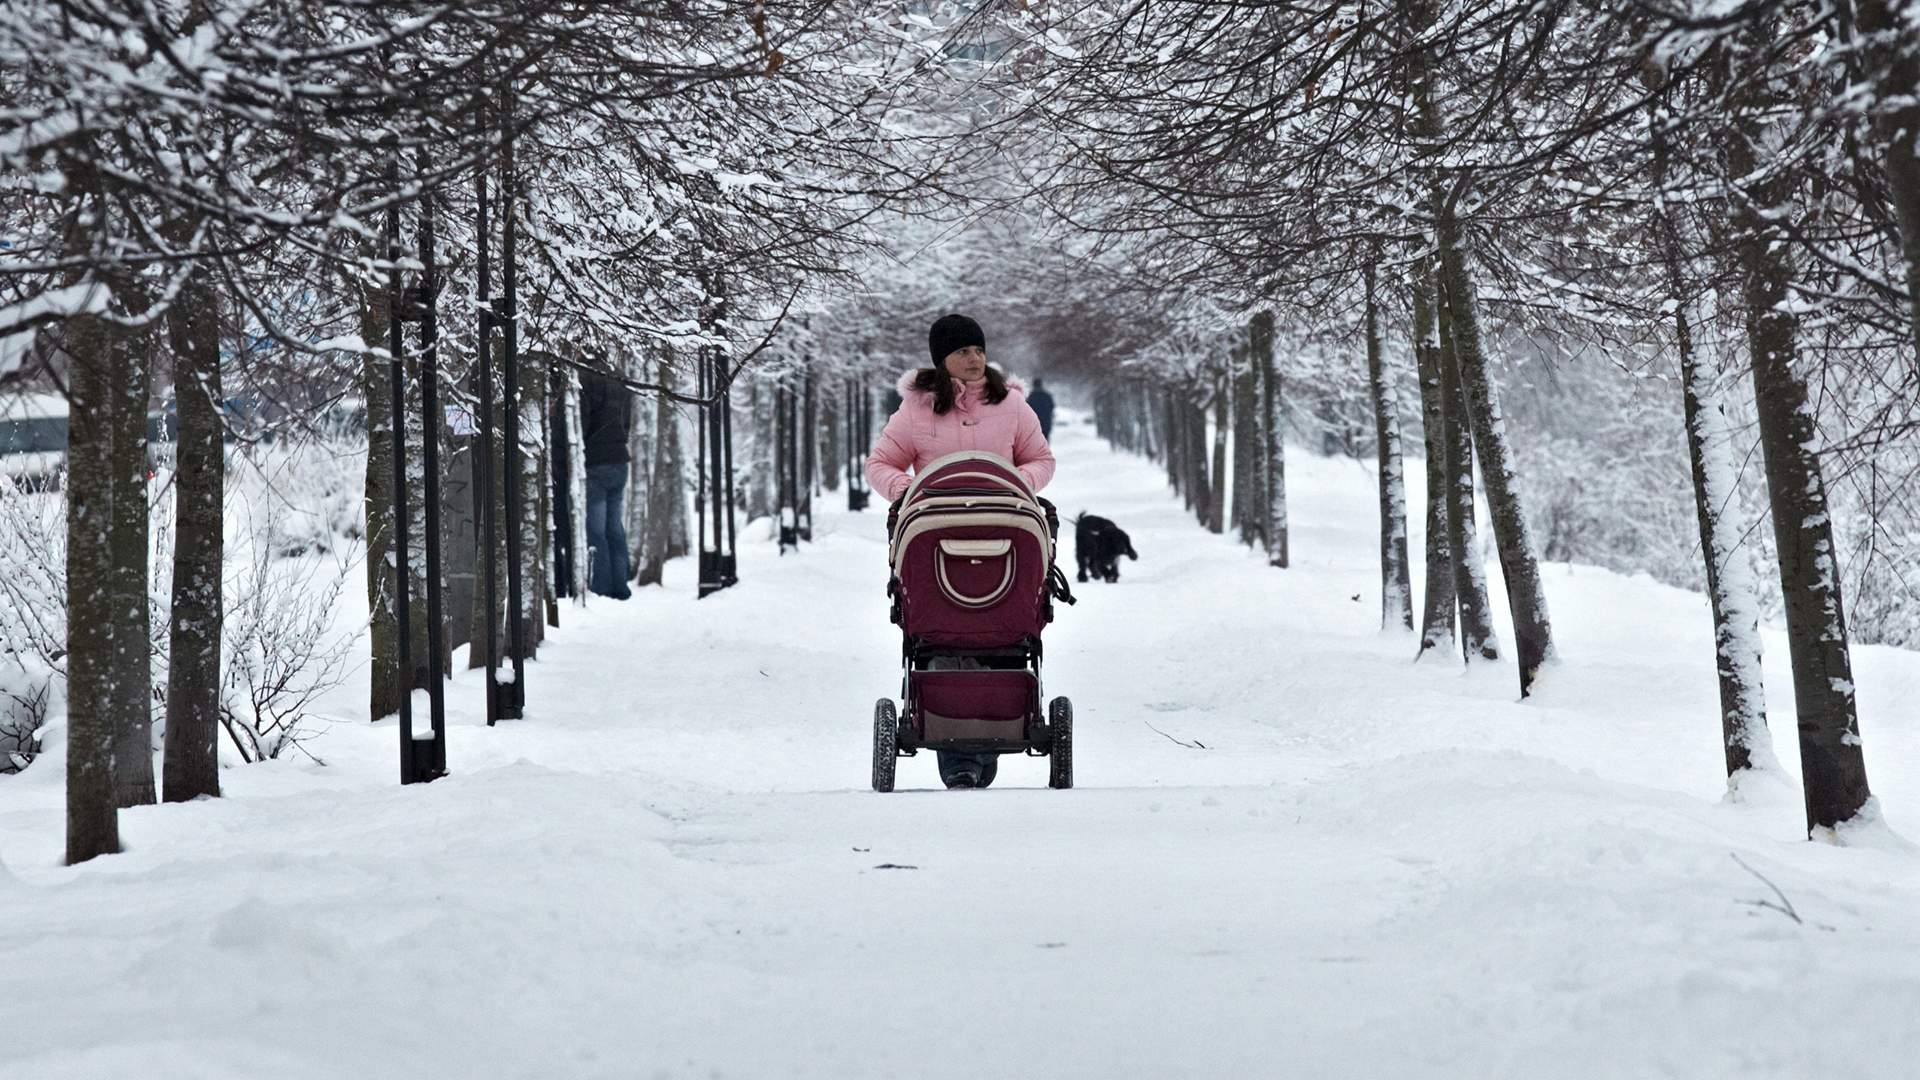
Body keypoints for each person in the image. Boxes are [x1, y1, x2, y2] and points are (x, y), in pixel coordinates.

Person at [866, 313, 1056, 789]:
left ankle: (982, 738)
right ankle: (961, 757)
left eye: (978, 350)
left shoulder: (1011, 405)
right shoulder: (916, 409)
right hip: (937, 534)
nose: (974, 359)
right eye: (962, 352)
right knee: (943, 633)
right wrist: (906, 491)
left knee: (1000, 631)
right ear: (942, 360)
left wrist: (1019, 485)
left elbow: (1041, 459)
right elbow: (881, 463)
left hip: (1002, 526)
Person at [580, 369, 634, 600]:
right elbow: (627, 422)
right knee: (615, 527)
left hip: (595, 462)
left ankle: (600, 587)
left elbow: (582, 423)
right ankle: (620, 584)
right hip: (619, 459)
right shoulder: (620, 380)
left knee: (596, 530)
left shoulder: (584, 378)